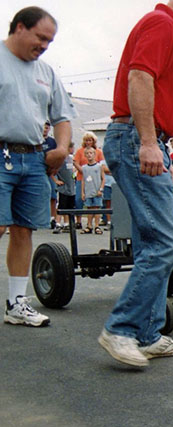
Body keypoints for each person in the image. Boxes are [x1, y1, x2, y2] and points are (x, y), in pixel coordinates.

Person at [98, 0, 173, 367]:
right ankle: (121, 329)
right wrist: (150, 144)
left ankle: (148, 334)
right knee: (167, 241)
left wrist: (160, 152)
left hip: (143, 138)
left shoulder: (162, 27)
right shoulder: (162, 24)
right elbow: (140, 77)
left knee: (152, 240)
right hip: (138, 137)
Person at [1, 6, 75, 327]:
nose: (44, 45)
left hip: (33, 159)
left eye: (49, 41)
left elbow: (62, 116)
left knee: (23, 229)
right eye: (40, 37)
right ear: (19, 27)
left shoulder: (46, 72)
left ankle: (16, 305)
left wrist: (60, 148)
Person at [80, 147, 105, 235]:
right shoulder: (84, 168)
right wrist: (82, 192)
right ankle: (89, 225)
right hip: (88, 191)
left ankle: (97, 226)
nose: (89, 155)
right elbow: (83, 180)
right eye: (87, 153)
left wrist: (101, 189)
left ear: (95, 154)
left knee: (97, 208)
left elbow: (103, 179)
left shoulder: (99, 167)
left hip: (97, 191)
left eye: (91, 153)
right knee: (89, 208)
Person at [52, 142, 76, 233]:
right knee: (61, 206)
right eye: (72, 148)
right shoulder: (61, 160)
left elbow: (73, 171)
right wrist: (56, 180)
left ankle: (67, 224)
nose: (73, 150)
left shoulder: (71, 159)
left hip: (71, 188)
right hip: (63, 188)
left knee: (69, 207)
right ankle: (58, 223)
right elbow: (52, 171)